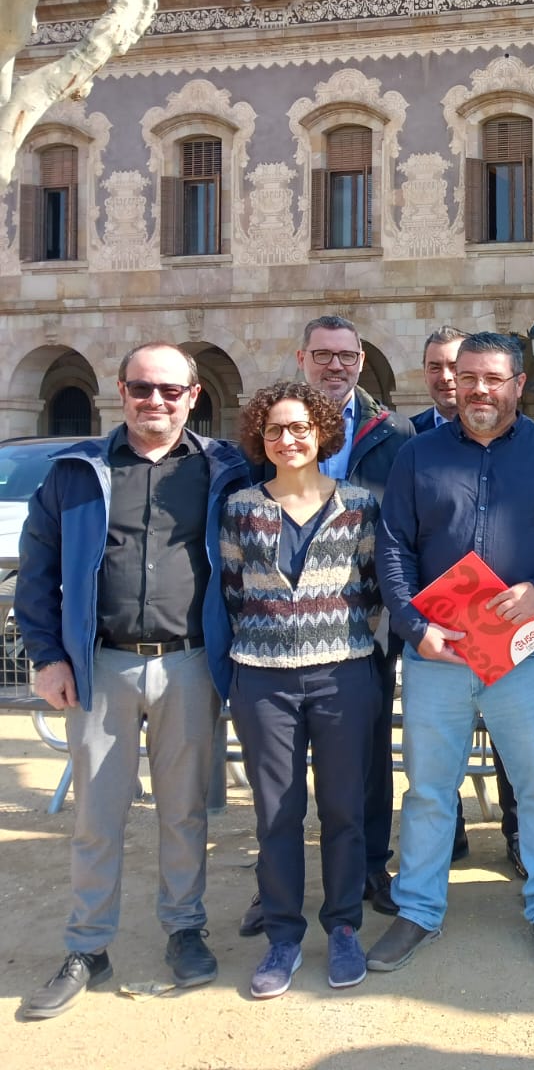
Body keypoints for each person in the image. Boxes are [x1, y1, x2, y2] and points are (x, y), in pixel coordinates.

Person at [16, 343, 250, 1020]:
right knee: (98, 816)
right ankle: (89, 946)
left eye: (170, 391)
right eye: (143, 388)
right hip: (101, 664)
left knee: (184, 811)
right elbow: (38, 572)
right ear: (120, 391)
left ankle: (184, 929)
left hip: (190, 663)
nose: (156, 402)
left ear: (193, 395)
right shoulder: (75, 472)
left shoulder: (222, 470)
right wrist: (47, 655)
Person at [368, 332, 534, 973]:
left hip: (524, 651)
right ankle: (417, 909)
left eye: (493, 378)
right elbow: (392, 548)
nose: (478, 389)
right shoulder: (418, 456)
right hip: (437, 655)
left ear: (517, 385)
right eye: (467, 377)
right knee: (429, 789)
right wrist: (415, 629)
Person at [221, 381, 383, 999]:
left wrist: (332, 639)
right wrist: (273, 641)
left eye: (298, 429)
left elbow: (371, 589)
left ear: (320, 434)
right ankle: (283, 935)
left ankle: (343, 927)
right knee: (277, 813)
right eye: (273, 431)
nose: (286, 440)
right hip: (262, 678)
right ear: (260, 440)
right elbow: (234, 590)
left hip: (342, 673)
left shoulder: (360, 505)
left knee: (344, 809)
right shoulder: (240, 506)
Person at [294, 315, 414, 920]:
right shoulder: (277, 426)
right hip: (286, 620)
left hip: (366, 618)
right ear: (302, 358)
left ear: (361, 360)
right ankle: (280, 883)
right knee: (286, 761)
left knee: (368, 751)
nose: (334, 366)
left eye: (345, 356)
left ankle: (371, 865)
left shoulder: (392, 433)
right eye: (323, 355)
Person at [411, 323, 509, 872]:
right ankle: (446, 844)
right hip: (436, 630)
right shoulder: (409, 441)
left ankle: (516, 837)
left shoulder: (530, 446)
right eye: (441, 369)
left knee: (516, 755)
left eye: (463, 369)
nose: (452, 380)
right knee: (433, 762)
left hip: (505, 626)